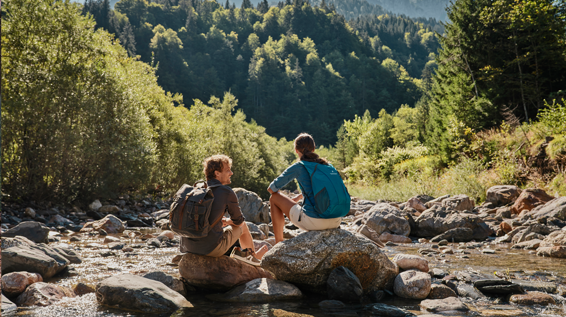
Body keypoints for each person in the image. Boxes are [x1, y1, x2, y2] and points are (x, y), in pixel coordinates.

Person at [180, 154, 268, 266]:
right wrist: (228, 222)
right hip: (210, 249)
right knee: (243, 226)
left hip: (187, 247)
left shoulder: (198, 190)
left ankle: (242, 254)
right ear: (217, 173)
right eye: (228, 170)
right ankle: (252, 258)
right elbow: (239, 221)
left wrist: (219, 221)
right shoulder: (226, 192)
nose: (231, 173)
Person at [268, 133, 344, 243]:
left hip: (314, 222)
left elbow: (271, 189)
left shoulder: (299, 166)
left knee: (274, 198)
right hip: (336, 220)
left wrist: (287, 201)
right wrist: (299, 197)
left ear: (296, 150)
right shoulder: (327, 165)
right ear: (313, 149)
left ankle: (279, 243)